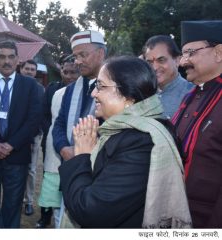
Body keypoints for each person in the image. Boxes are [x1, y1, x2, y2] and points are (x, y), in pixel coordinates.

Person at [59, 56, 192, 228]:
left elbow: (91, 211)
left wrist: (82, 156)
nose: (93, 93)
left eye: (100, 86)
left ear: (128, 97)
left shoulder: (142, 143)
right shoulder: (121, 132)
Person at [0, 40, 41, 228]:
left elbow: (33, 121)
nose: (6, 61)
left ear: (18, 60)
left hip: (17, 156)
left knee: (12, 205)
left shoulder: (30, 86)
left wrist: (11, 145)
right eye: (2, 56)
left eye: (11, 57)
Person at [172, 20, 222, 228]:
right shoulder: (191, 96)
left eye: (190, 52)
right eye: (183, 54)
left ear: (219, 52)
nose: (183, 62)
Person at [37, 54, 79, 228]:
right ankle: (46, 218)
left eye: (73, 72)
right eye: (65, 71)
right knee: (52, 192)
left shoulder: (88, 91)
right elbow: (45, 116)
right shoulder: (54, 90)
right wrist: (55, 135)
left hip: (77, 149)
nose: (68, 76)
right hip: (54, 147)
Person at [52, 30, 105, 163]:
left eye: (83, 55)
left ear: (100, 54)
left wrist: (84, 150)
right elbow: (59, 123)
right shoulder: (71, 89)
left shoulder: (114, 87)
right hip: (70, 163)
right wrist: (63, 148)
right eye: (75, 56)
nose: (77, 61)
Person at [143, 35, 194, 119]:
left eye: (161, 60)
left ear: (177, 60)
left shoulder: (192, 94)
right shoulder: (142, 94)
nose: (154, 68)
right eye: (149, 62)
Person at [19, 59, 44, 216]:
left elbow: (40, 113)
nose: (29, 71)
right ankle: (15, 200)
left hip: (33, 136)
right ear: (21, 69)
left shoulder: (40, 89)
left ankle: (28, 201)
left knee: (31, 170)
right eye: (27, 68)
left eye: (32, 69)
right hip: (14, 136)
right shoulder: (14, 86)